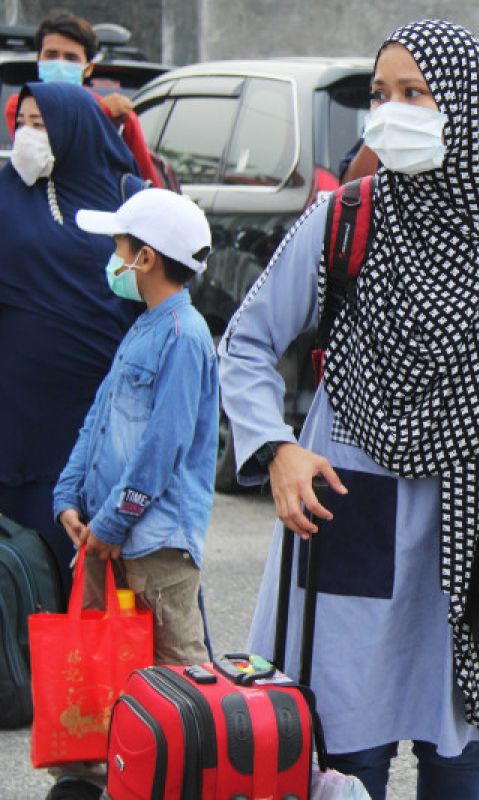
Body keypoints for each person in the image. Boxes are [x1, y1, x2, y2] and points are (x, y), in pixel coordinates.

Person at [218, 20, 479, 800]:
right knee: (345, 733)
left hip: (477, 502)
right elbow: (247, 342)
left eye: (415, 93)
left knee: (457, 741)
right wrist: (276, 450)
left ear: (463, 104)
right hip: (351, 493)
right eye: (380, 95)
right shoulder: (343, 219)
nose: (390, 111)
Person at [45, 188, 217, 800]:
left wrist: (113, 524)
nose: (111, 258)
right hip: (106, 535)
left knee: (178, 675)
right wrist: (69, 497)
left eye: (118, 246)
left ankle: (190, 782)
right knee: (102, 669)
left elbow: (164, 446)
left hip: (156, 542)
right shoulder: (143, 328)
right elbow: (99, 421)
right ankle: (101, 777)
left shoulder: (185, 335)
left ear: (144, 258)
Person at [0, 82, 141, 596]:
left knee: (90, 544)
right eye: (23, 123)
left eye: (41, 124)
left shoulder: (130, 198)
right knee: (20, 545)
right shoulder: (7, 191)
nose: (27, 135)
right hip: (17, 409)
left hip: (99, 404)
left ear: (74, 128)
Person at [4, 10, 164, 188]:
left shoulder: (119, 115)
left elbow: (146, 178)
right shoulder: (21, 106)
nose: (60, 63)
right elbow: (56, 156)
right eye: (51, 55)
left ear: (88, 68)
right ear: (39, 60)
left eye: (71, 58)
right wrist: (102, 115)